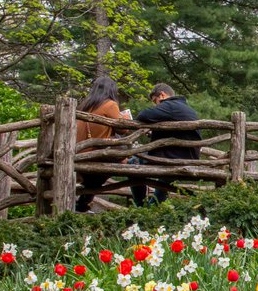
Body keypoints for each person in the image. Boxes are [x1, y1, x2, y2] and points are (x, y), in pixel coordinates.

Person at [133, 83, 200, 205]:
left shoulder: (170, 105)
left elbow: (143, 115)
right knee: (164, 180)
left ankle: (140, 207)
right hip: (187, 156)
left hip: (174, 158)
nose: (156, 105)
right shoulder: (185, 108)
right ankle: (151, 210)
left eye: (155, 101)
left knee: (133, 162)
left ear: (162, 95)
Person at [74, 77, 131, 212]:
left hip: (80, 151)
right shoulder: (110, 104)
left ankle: (82, 204)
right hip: (95, 152)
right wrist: (126, 119)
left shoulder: (85, 105)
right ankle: (83, 204)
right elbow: (123, 129)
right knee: (126, 161)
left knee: (94, 180)